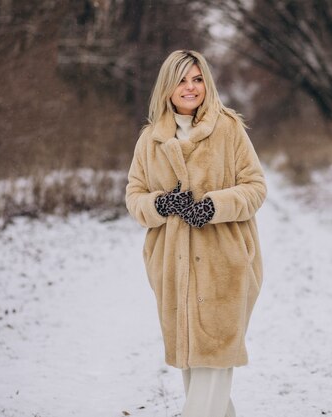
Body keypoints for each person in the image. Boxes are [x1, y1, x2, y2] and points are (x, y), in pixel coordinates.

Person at [125, 50, 266, 417]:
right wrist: (160, 205)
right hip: (173, 265)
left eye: (198, 79)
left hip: (226, 263)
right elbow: (134, 196)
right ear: (167, 87)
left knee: (215, 361)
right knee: (194, 367)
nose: (191, 88)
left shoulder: (229, 128)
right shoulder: (150, 140)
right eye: (182, 80)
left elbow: (255, 187)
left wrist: (214, 205)